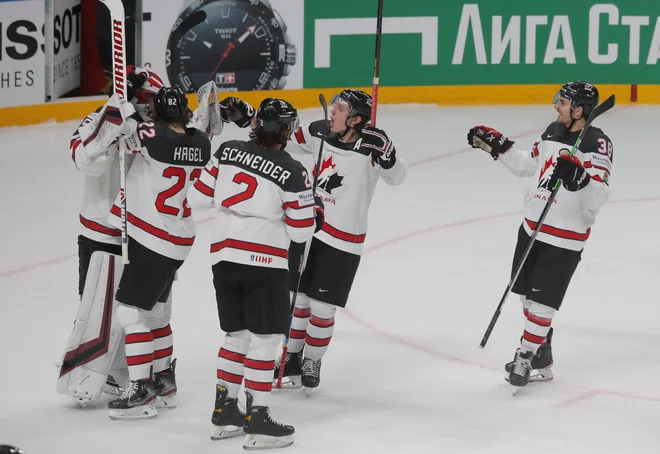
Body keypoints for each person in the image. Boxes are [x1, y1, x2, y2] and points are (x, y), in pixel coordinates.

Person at [187, 98, 323, 449]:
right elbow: (301, 232)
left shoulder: (227, 150)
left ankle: (225, 412)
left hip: (223, 256)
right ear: (286, 131)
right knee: (264, 342)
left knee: (236, 337)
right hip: (264, 261)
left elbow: (197, 199)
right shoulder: (293, 169)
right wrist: (313, 209)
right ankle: (258, 419)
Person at [466, 81, 613, 390]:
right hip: (532, 227)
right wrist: (499, 147)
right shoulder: (553, 131)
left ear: (579, 109)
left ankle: (525, 354)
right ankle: (542, 357)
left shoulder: (597, 143)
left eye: (562, 102)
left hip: (565, 237)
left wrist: (579, 179)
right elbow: (527, 165)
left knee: (542, 304)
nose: (556, 106)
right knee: (526, 297)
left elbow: (599, 196)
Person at [276, 89, 408, 390]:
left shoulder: (372, 146)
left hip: (344, 241)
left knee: (322, 307)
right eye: (334, 105)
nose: (332, 111)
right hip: (307, 231)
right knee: (296, 300)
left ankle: (312, 359)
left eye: (340, 108)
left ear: (356, 119)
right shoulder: (320, 131)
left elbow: (398, 176)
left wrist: (388, 156)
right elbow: (285, 138)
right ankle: (290, 357)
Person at [104, 86, 213, 419]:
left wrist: (121, 103)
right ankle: (164, 382)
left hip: (153, 238)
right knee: (157, 316)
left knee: (131, 314)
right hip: (179, 238)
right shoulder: (201, 142)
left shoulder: (150, 134)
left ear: (158, 115)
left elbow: (126, 126)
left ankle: (141, 392)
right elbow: (190, 130)